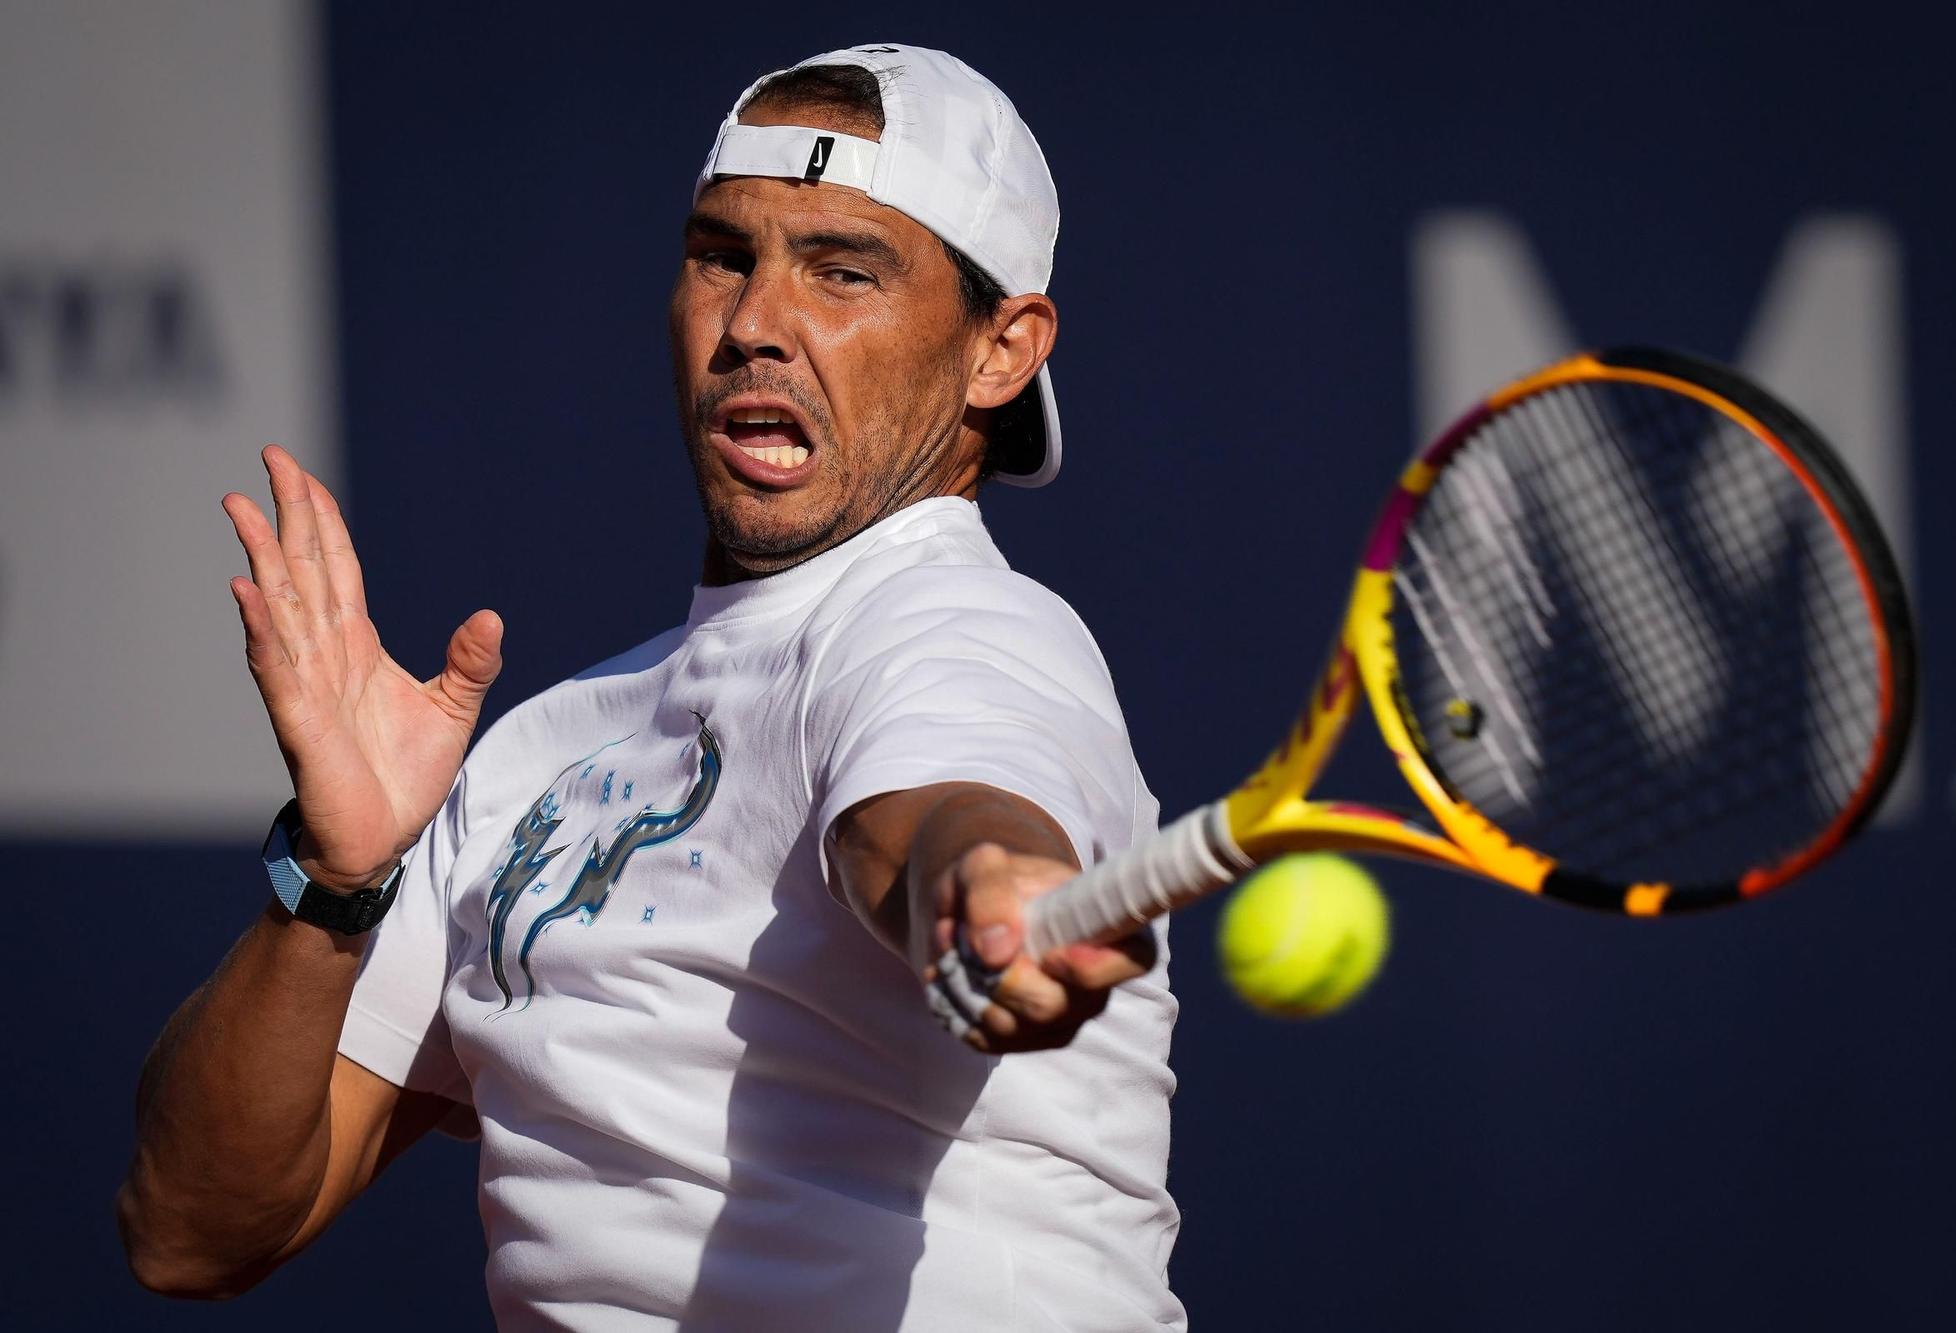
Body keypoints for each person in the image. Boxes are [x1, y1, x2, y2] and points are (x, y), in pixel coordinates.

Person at [117, 44, 1184, 1331]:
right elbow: (193, 1229)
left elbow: (937, 815)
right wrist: (335, 883)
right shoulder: (531, 754)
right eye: (722, 255)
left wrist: (980, 893)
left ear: (1000, 350)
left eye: (842, 270)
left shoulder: (956, 625)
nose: (752, 325)